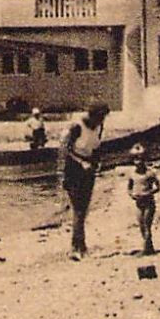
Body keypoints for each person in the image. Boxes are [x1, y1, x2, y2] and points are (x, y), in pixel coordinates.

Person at [60, 104, 109, 261]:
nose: (101, 121)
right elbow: (64, 149)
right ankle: (76, 247)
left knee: (84, 209)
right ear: (92, 115)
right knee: (78, 209)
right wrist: (80, 163)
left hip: (89, 170)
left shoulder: (99, 126)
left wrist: (97, 163)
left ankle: (81, 245)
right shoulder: (77, 126)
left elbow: (97, 148)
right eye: (99, 117)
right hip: (73, 168)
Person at [127, 147, 160, 256]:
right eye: (135, 160)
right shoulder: (132, 174)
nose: (138, 162)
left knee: (147, 225)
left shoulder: (150, 173)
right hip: (138, 203)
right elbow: (129, 188)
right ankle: (149, 247)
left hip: (148, 202)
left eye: (140, 159)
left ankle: (146, 249)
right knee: (141, 225)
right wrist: (132, 195)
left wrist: (148, 193)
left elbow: (159, 187)